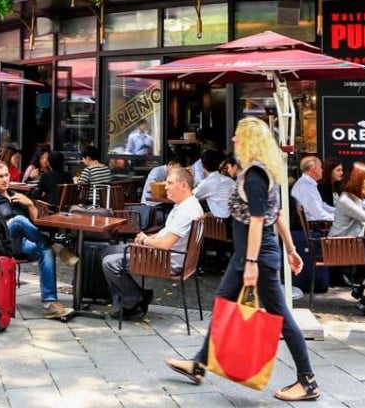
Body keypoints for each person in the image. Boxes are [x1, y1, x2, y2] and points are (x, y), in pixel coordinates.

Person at [165, 117, 319, 401]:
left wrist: (251, 263)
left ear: (249, 140)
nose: (233, 140)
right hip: (248, 256)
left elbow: (260, 220)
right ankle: (199, 364)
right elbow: (279, 214)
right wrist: (291, 249)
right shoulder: (258, 172)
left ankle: (307, 381)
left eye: (238, 135)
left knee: (281, 318)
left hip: (256, 258)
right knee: (222, 303)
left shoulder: (255, 176)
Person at [102, 167, 203, 320]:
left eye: (169, 183)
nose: (166, 187)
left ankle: (134, 302)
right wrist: (147, 237)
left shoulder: (186, 210)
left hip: (165, 260)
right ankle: (134, 296)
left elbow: (166, 244)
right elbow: (167, 234)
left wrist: (146, 240)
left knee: (110, 262)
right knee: (109, 250)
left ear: (183, 185)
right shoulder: (187, 205)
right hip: (166, 256)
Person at [0, 162, 75, 319]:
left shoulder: (17, 197)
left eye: (6, 175)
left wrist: (29, 203)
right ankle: (58, 247)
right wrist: (7, 224)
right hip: (0, 244)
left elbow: (36, 222)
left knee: (45, 249)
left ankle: (50, 304)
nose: (4, 179)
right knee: (18, 221)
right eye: (0, 176)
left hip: (20, 243)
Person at [330, 162, 365, 316]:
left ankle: (361, 288)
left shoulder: (353, 198)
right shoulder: (346, 200)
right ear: (359, 181)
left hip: (351, 242)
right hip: (340, 245)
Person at [290, 155, 336, 222]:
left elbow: (321, 206)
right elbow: (319, 214)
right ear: (313, 169)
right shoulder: (305, 186)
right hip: (314, 226)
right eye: (320, 167)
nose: (322, 170)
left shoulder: (307, 184)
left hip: (316, 224)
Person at [193, 149, 233, 218]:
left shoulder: (208, 183)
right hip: (234, 219)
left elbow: (189, 197)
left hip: (220, 223)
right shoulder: (229, 180)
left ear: (202, 166)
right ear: (219, 165)